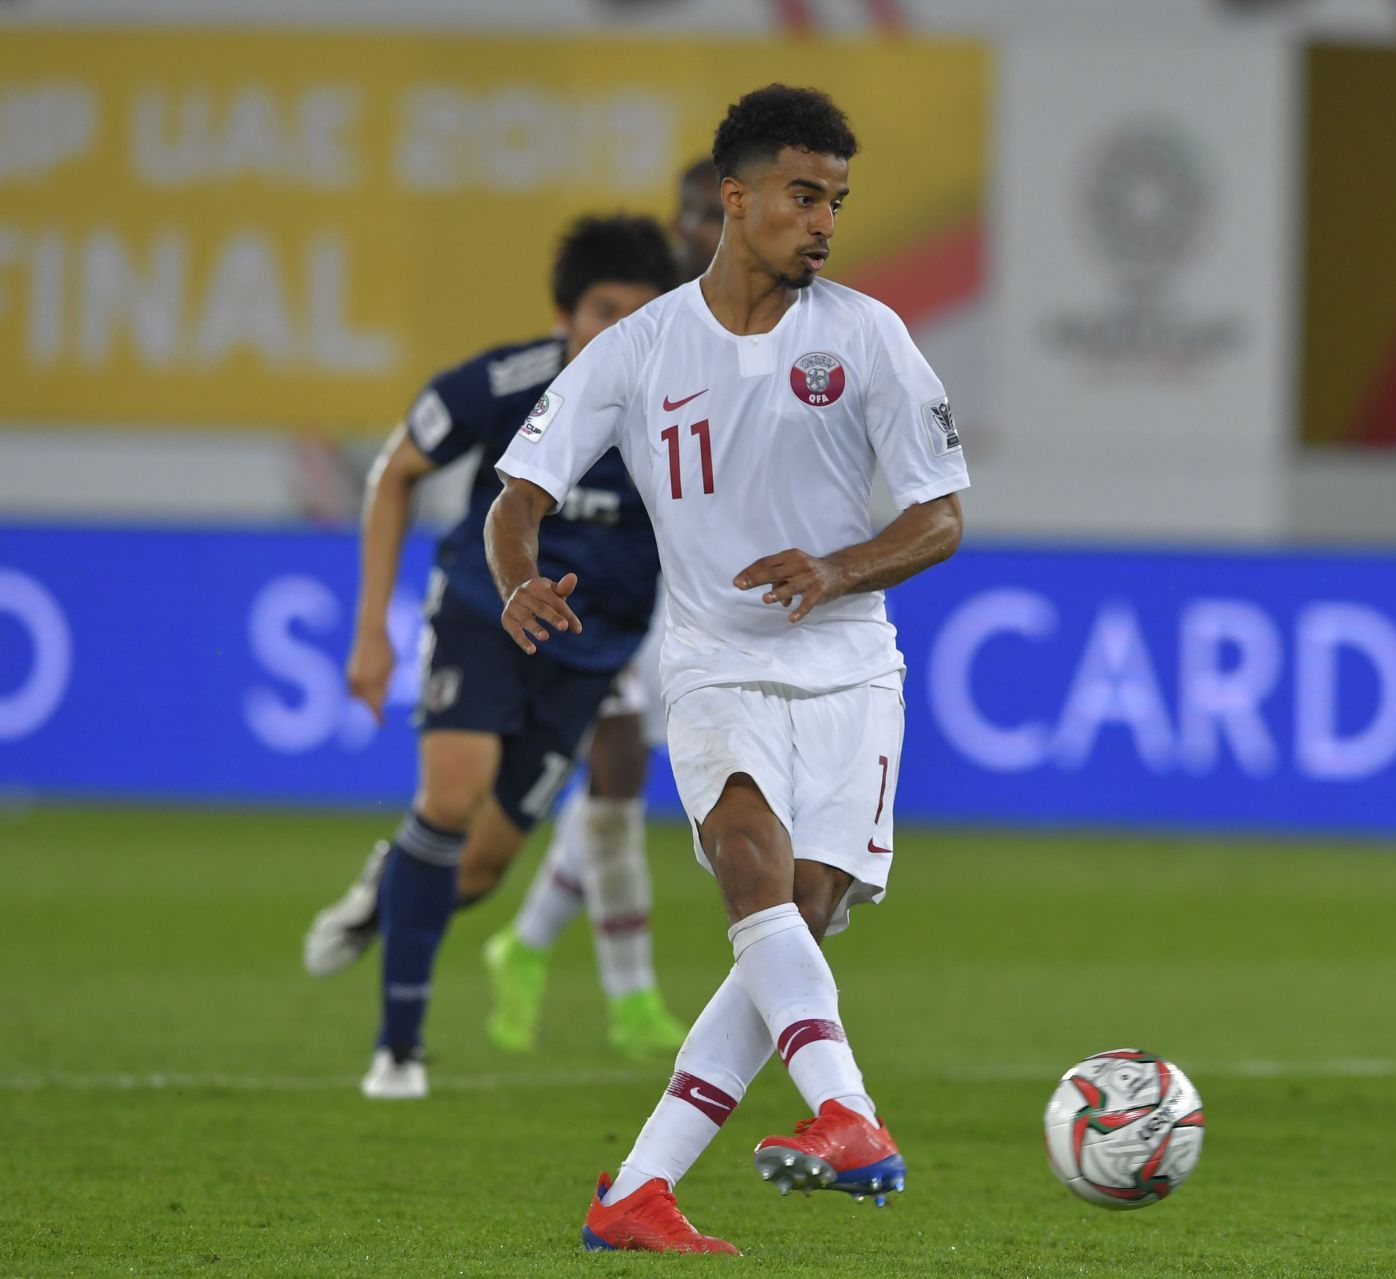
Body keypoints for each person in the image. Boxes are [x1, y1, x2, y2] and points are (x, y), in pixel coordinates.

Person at [487, 85, 968, 1254]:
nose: (824, 223)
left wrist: (840, 567)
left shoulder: (867, 337)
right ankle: (848, 1114)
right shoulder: (640, 347)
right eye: (805, 197)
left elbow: (943, 517)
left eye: (839, 202)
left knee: (797, 921)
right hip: (713, 665)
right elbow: (522, 494)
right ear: (736, 198)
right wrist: (519, 579)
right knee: (748, 862)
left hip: (852, 674)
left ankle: (639, 1190)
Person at [303, 214, 685, 1099]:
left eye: (639, 314)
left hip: (592, 654)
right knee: (449, 795)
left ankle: (386, 881)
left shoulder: (680, 405)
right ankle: (398, 1051)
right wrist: (371, 630)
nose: (616, 331)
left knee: (474, 869)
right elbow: (394, 469)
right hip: (485, 614)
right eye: (601, 310)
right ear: (564, 312)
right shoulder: (507, 382)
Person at [474, 162, 724, 1057]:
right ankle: (630, 998)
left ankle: (527, 944)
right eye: (693, 213)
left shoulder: (750, 318)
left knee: (621, 783)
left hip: (687, 584)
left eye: (710, 213)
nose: (701, 229)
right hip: (622, 593)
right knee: (617, 773)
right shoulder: (657, 321)